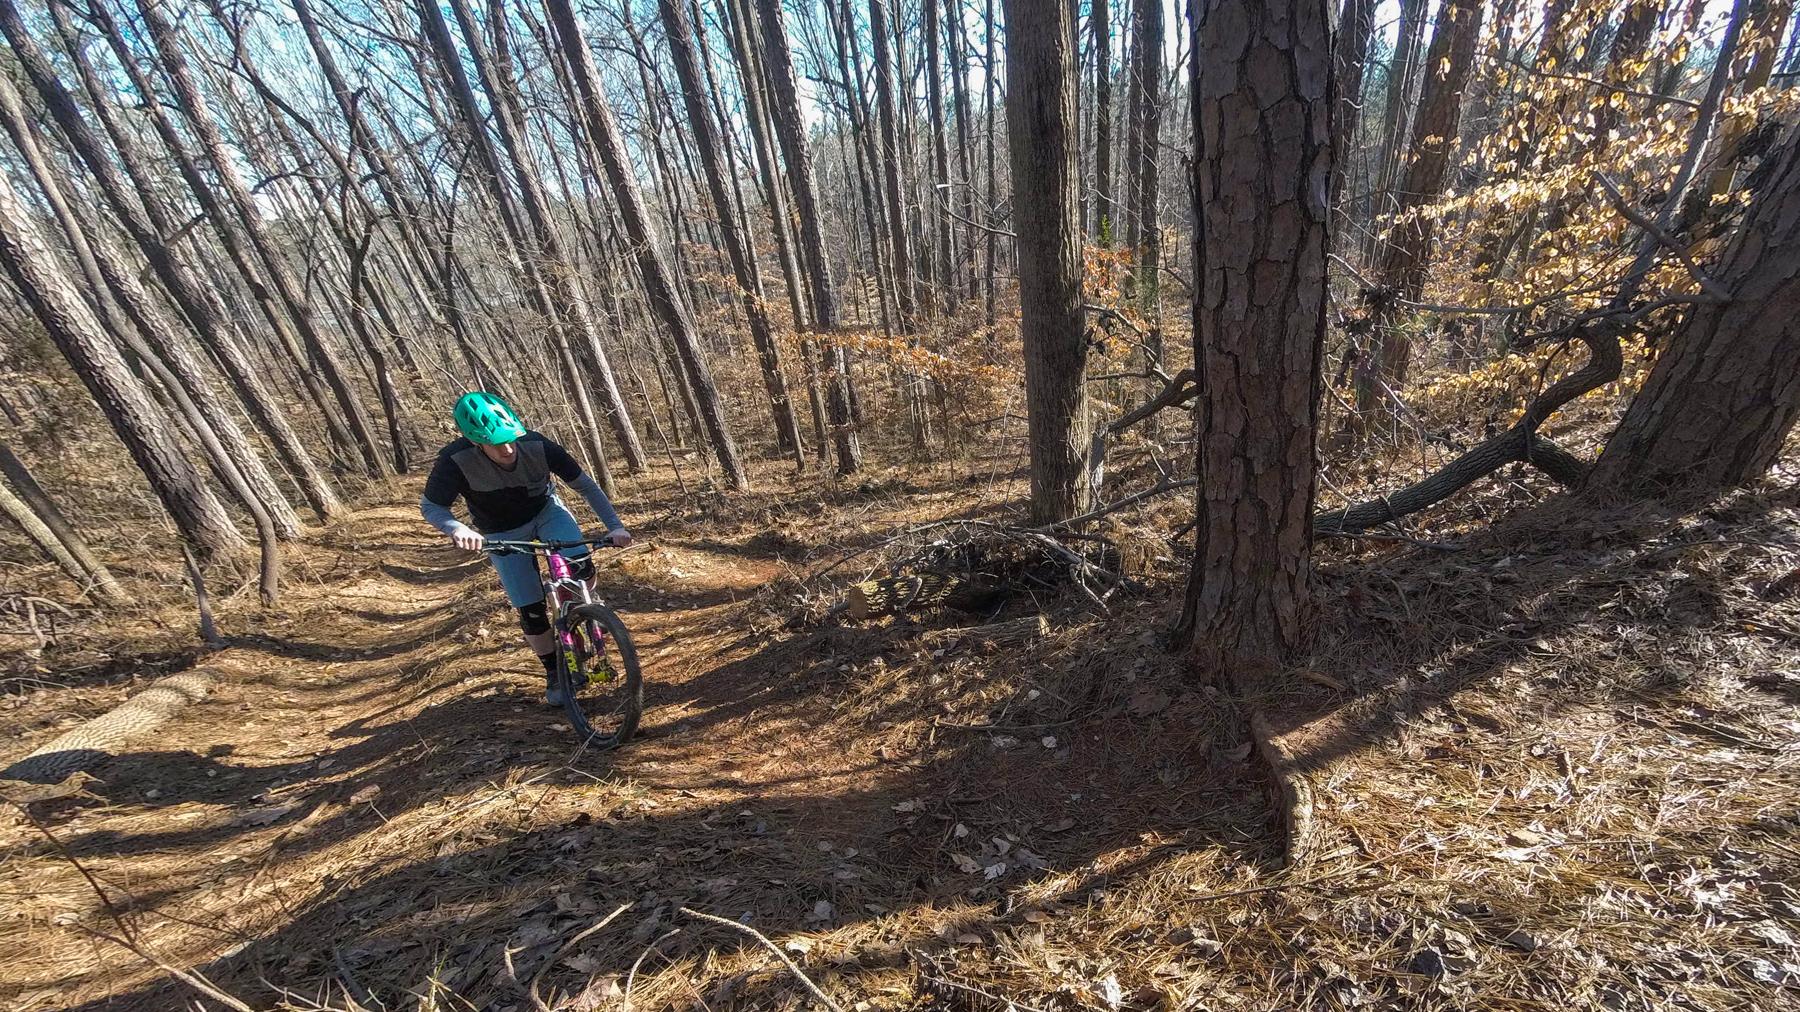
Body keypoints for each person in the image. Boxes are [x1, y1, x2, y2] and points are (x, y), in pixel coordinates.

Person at [421, 392, 631, 704]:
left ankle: (584, 604)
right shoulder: (454, 461)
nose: (507, 449)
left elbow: (586, 486)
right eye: (496, 444)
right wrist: (458, 528)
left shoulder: (538, 445)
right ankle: (554, 671)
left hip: (546, 512)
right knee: (531, 608)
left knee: (580, 564)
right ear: (476, 442)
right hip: (500, 530)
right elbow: (432, 507)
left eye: (511, 439)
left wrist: (615, 526)